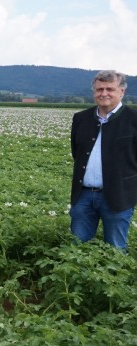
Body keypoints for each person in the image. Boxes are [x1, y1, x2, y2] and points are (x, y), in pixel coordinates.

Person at [70, 70, 137, 250]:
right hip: (83, 195)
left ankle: (112, 277)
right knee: (77, 247)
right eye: (99, 89)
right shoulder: (81, 118)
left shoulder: (133, 120)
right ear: (94, 92)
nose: (104, 93)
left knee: (115, 248)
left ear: (121, 92)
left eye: (110, 89)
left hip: (118, 196)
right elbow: (76, 152)